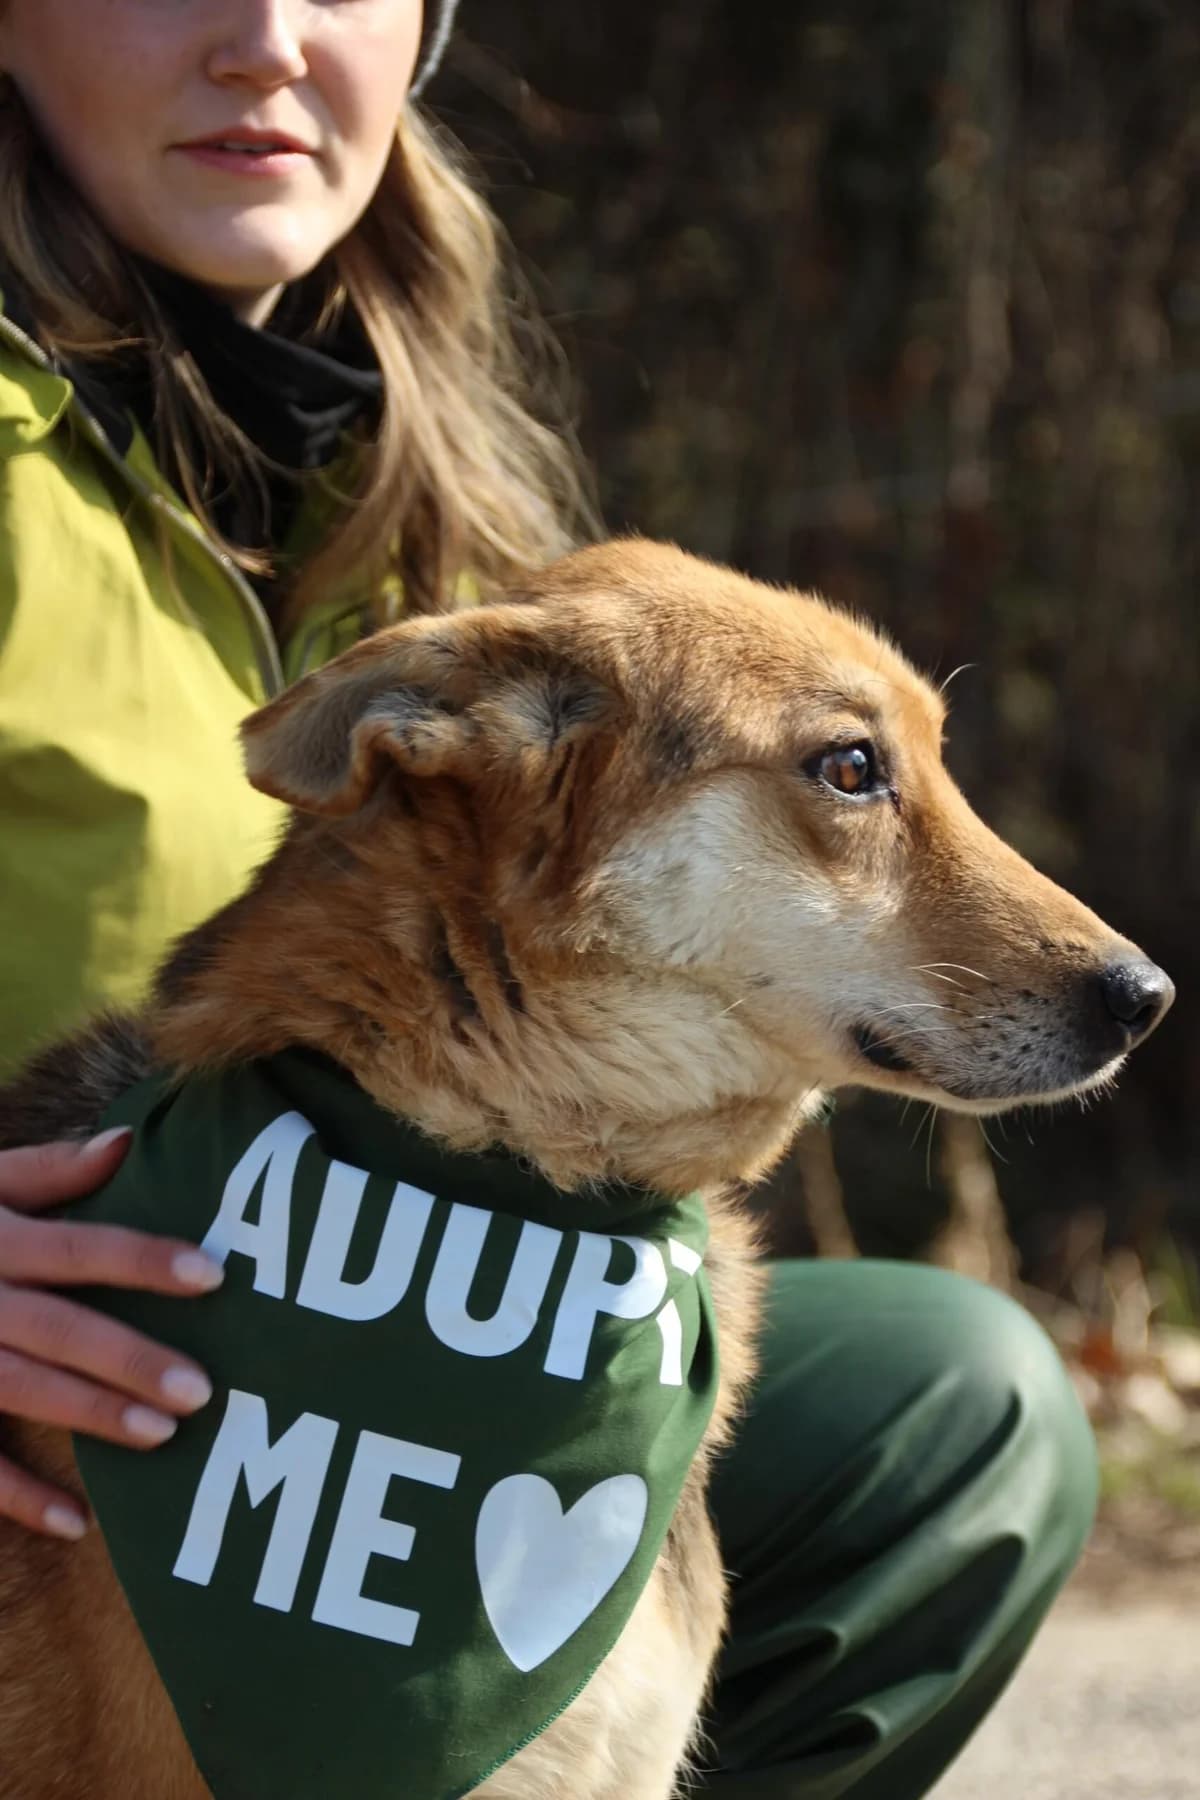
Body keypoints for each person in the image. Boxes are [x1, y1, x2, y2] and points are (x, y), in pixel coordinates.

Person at [0, 3, 1097, 1794]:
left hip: (414, 1311)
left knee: (947, 1400)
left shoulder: (448, 504)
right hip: (71, 1360)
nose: (264, 39)